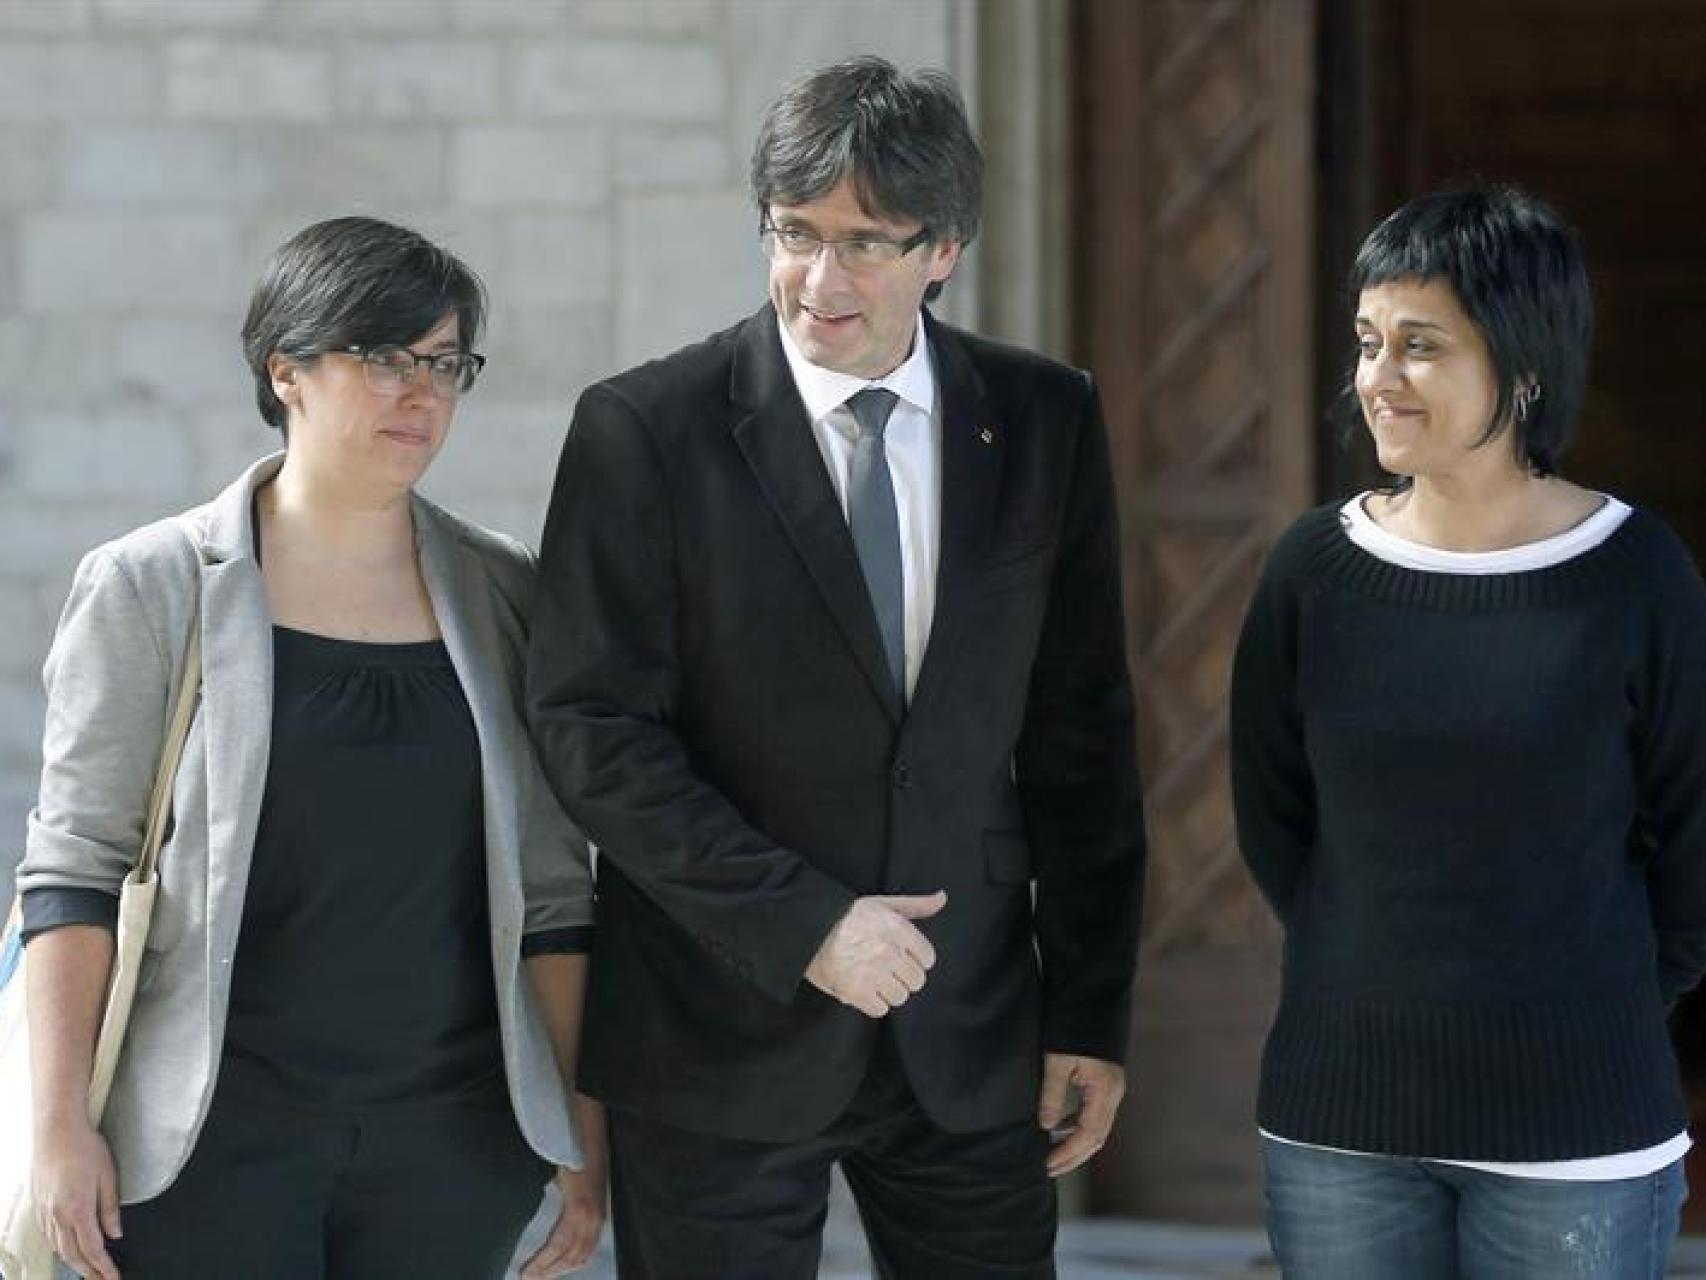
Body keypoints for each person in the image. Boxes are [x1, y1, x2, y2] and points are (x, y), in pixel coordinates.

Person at [525, 55, 1147, 1279]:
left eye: (864, 242)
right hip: (715, 1026)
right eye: (794, 233)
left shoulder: (1042, 419)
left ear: (945, 247)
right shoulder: (643, 429)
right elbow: (590, 724)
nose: (820, 280)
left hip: (968, 1035)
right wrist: (804, 921)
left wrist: (1087, 1010)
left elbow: (1080, 732)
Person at [17, 216, 606, 1280]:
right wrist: (59, 1127)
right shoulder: (151, 586)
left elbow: (557, 898)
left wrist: (580, 1128)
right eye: (384, 358)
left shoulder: (505, 590)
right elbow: (75, 875)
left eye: (444, 363)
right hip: (207, 1142)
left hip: (452, 1144)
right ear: (284, 368)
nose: (421, 393)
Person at [1231, 184, 1706, 1278]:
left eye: (1418, 345)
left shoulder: (1636, 577)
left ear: (1522, 365)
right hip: (1340, 1121)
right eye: (1366, 342)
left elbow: (1692, 838)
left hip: (1576, 1133)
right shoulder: (1312, 573)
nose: (1376, 379)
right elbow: (1273, 818)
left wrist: (1599, 999)